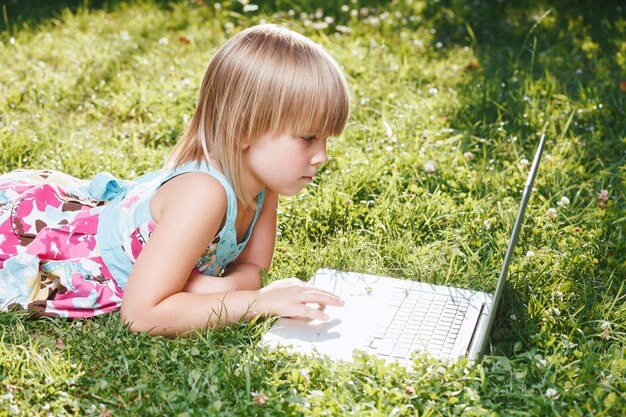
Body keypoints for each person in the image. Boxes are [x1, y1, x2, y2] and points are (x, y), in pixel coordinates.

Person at [0, 24, 349, 336]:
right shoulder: (204, 194)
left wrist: (202, 287)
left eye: (325, 140)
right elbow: (141, 314)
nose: (322, 156)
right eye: (307, 138)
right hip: (63, 242)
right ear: (245, 129)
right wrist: (257, 302)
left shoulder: (263, 188)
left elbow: (254, 270)